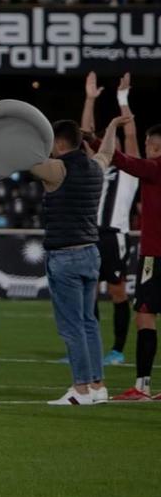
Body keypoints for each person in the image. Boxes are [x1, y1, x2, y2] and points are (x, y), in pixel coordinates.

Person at [30, 114, 107, 404]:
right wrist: (108, 128)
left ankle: (81, 390)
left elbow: (26, 160)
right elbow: (108, 153)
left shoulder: (56, 169)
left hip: (65, 256)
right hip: (91, 252)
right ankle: (98, 386)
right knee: (89, 323)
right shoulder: (96, 167)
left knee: (72, 326)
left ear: (57, 143)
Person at [99, 103, 161, 400]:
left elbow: (122, 159)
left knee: (145, 316)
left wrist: (94, 139)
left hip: (155, 255)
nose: (148, 147)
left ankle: (143, 386)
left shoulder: (153, 168)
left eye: (151, 143)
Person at [83, 74, 139, 365]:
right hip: (90, 233)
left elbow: (130, 133)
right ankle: (90, 349)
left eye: (112, 134)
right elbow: (84, 132)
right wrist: (90, 99)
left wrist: (122, 100)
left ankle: (116, 350)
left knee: (117, 292)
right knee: (87, 291)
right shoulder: (96, 164)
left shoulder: (130, 168)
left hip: (114, 234)